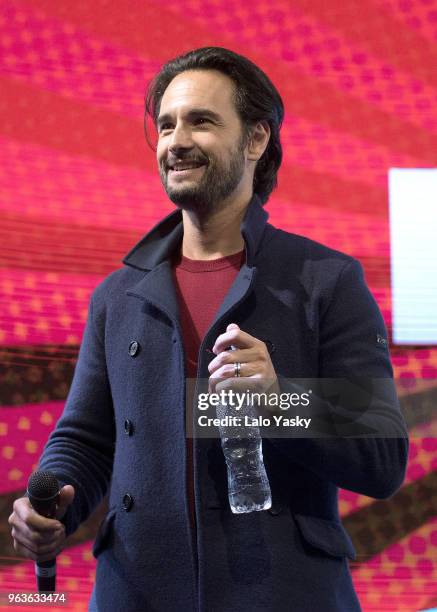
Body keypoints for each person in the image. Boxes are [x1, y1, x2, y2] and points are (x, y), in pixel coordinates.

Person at [9, 47, 409, 611]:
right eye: (167, 124)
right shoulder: (116, 296)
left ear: (255, 140)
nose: (175, 141)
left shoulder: (325, 280)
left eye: (201, 120)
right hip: (137, 592)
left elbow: (383, 459)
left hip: (284, 594)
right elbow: (86, 440)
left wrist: (280, 401)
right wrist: (54, 507)